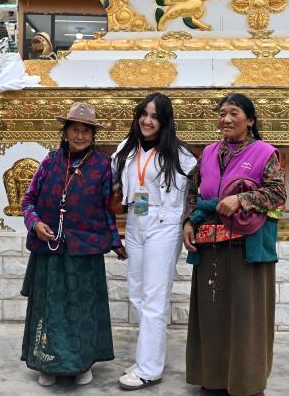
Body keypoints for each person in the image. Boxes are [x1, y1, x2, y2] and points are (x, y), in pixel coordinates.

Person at [183, 93, 287, 396]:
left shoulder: (265, 153)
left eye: (234, 113)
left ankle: (247, 383)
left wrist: (241, 199)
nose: (226, 119)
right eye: (222, 113)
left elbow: (278, 194)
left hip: (246, 249)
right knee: (211, 315)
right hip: (209, 247)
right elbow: (194, 192)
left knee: (246, 317)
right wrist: (188, 221)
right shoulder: (208, 153)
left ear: (250, 120)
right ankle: (212, 378)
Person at [20, 102, 127, 387]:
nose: (80, 136)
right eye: (75, 130)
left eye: (86, 131)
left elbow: (107, 209)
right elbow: (28, 200)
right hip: (50, 251)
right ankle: (47, 363)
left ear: (93, 135)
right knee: (50, 308)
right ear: (65, 132)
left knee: (82, 308)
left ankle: (81, 363)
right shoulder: (50, 162)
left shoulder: (103, 167)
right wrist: (35, 224)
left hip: (85, 252)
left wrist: (115, 242)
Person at [112, 92, 197, 390]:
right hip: (136, 222)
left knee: (154, 298)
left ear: (165, 121)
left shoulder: (180, 154)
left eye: (155, 117)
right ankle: (147, 357)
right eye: (144, 114)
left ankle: (149, 369)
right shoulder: (126, 148)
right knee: (136, 293)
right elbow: (115, 183)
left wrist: (188, 221)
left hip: (164, 226)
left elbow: (194, 192)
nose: (147, 121)